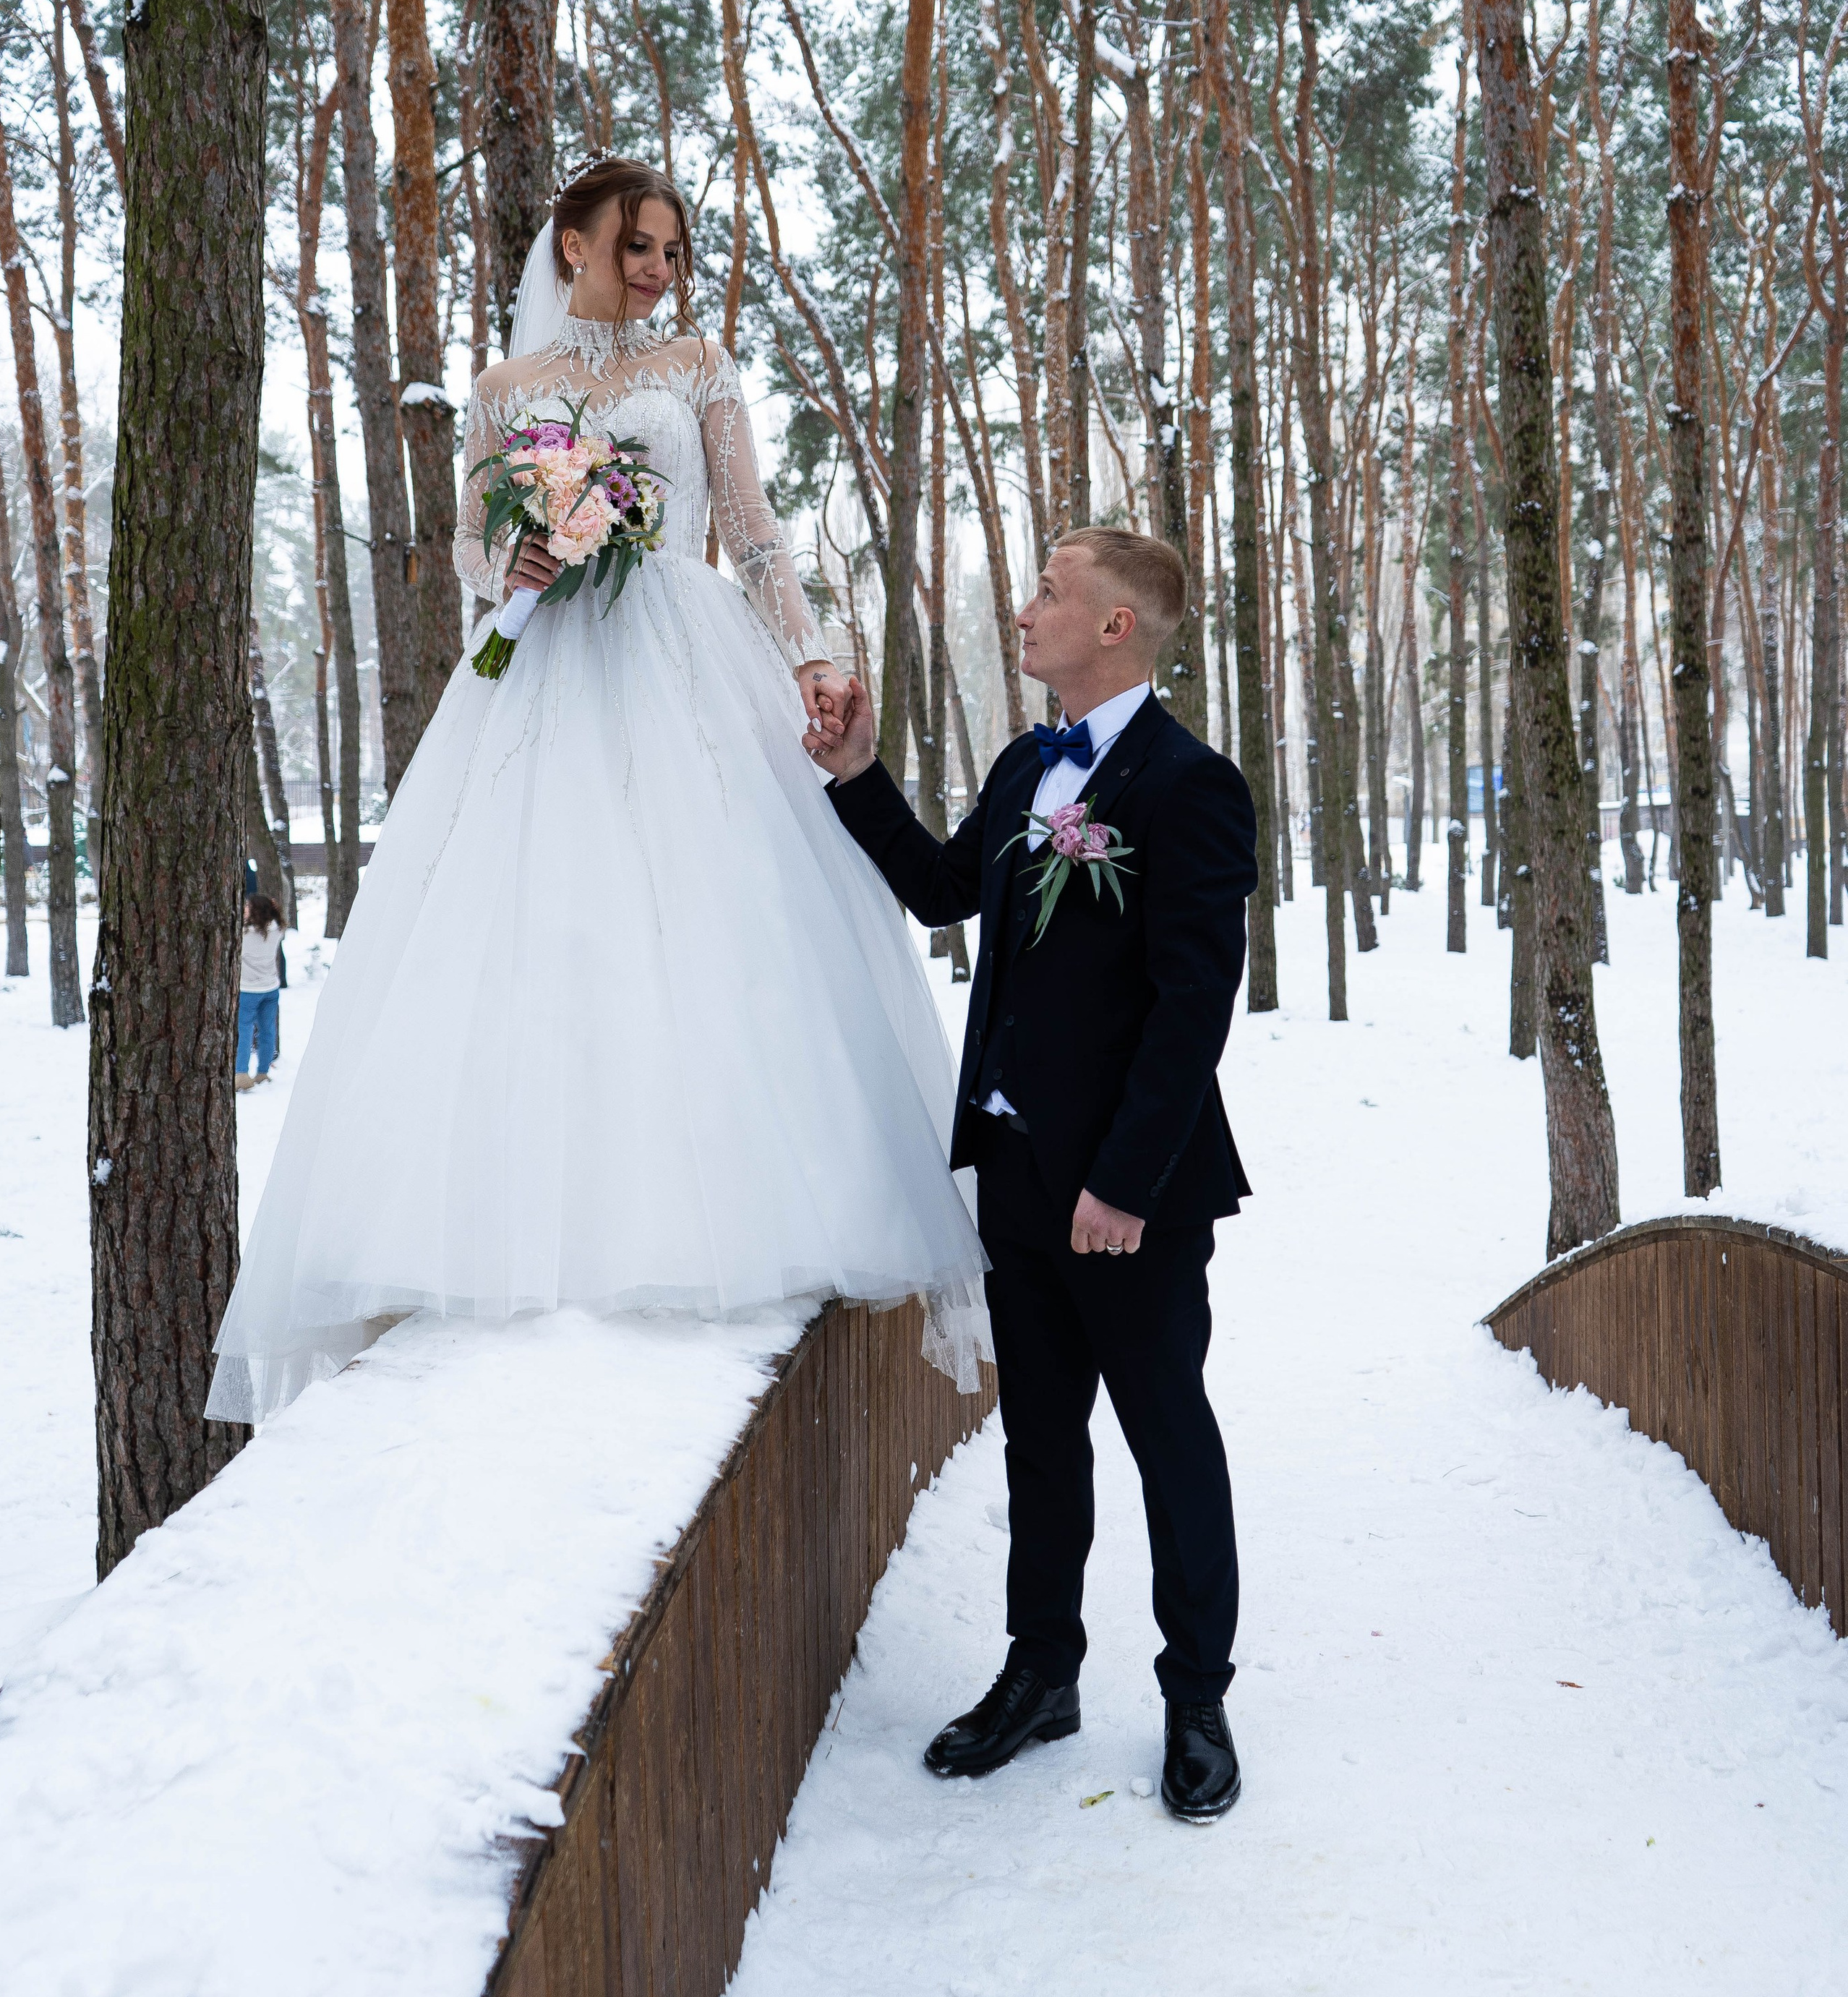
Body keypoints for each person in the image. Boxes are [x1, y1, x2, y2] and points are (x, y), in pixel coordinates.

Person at [207, 156, 989, 1424]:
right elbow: (466, 544)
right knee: (534, 918)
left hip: (688, 656)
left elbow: (753, 526)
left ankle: (725, 1216)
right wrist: (511, 554)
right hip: (542, 663)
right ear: (569, 243)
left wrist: (809, 653)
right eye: (637, 246)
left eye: (673, 252)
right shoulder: (506, 391)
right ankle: (518, 1226)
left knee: (708, 911)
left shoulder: (697, 369)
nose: (658, 272)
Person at [808, 529, 1257, 1825]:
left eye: (1049, 592)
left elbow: (1191, 1011)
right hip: (1011, 1171)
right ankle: (1040, 1672)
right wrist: (855, 775)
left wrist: (1121, 1184)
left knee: (1168, 1436)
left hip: (1134, 1198)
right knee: (1040, 1440)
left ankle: (1196, 1699)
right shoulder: (1022, 766)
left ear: (1117, 626)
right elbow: (948, 893)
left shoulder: (1191, 786)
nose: (1026, 607)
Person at [236, 892, 285, 1092]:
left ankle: (241, 1073)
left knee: (245, 1030)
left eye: (248, 906)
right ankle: (263, 1072)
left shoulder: (245, 934)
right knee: (267, 1030)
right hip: (271, 988)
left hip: (247, 989)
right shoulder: (278, 929)